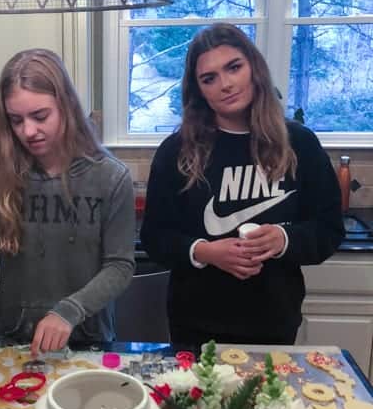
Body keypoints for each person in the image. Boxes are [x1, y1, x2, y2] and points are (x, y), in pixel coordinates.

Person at [140, 23, 344, 349]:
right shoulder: (176, 151)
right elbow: (154, 237)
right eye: (209, 78)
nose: (226, 84)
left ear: (254, 68)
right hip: (195, 323)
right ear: (198, 91)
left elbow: (330, 229)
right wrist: (204, 251)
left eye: (234, 67)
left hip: (274, 319)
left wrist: (283, 238)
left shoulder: (300, 144)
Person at [0, 48, 136, 364]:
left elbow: (120, 266)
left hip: (88, 342)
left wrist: (69, 310)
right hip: (11, 340)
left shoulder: (110, 178)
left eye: (40, 116)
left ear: (68, 107)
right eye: (16, 120)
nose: (28, 132)